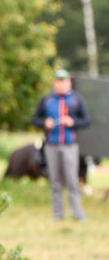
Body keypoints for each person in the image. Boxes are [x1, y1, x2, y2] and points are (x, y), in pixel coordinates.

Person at [32, 69, 90, 221]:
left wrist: (73, 122)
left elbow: (86, 121)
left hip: (70, 145)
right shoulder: (46, 100)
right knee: (55, 181)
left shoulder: (76, 99)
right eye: (58, 81)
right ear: (54, 83)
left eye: (64, 81)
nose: (61, 83)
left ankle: (78, 214)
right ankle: (58, 215)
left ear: (68, 83)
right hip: (51, 145)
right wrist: (45, 123)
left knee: (72, 181)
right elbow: (35, 120)